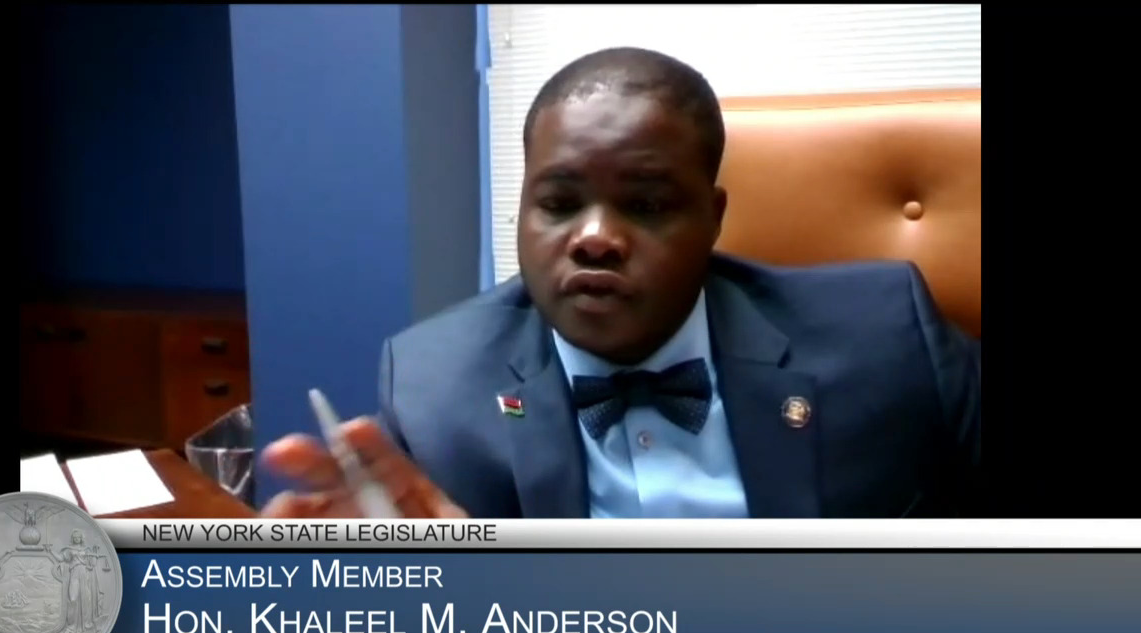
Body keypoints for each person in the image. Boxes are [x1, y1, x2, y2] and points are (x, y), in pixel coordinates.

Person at [259, 47, 981, 520]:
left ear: (713, 219)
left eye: (647, 204)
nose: (595, 236)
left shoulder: (889, 335)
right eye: (559, 203)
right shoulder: (434, 387)